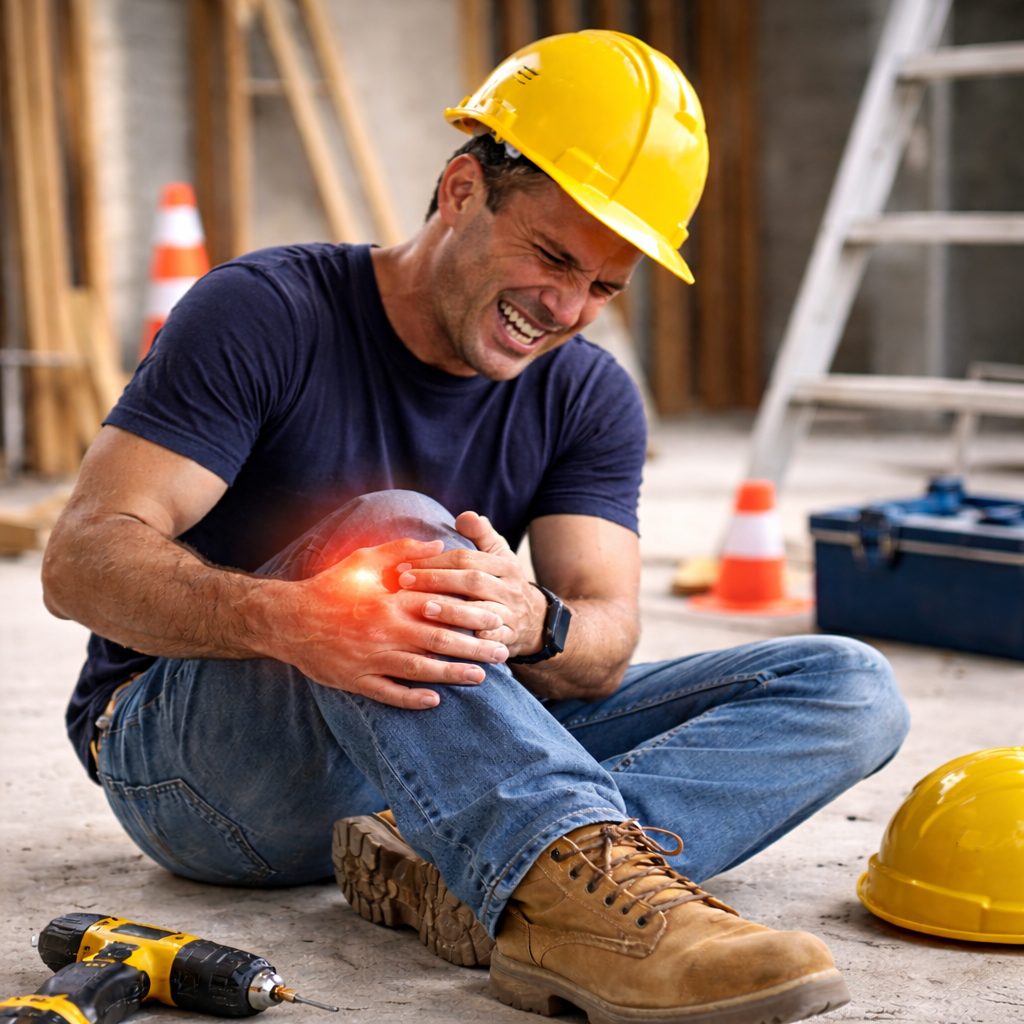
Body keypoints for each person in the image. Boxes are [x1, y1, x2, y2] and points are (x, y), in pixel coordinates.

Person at [42, 29, 909, 1024]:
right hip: (201, 768)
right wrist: (292, 619)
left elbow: (603, 642)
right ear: (459, 190)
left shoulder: (586, 395)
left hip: (433, 750)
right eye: (550, 255)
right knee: (401, 540)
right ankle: (566, 891)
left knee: (850, 687)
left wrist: (534, 621)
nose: (565, 307)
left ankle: (470, 870)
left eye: (602, 287)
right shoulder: (267, 312)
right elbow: (79, 562)